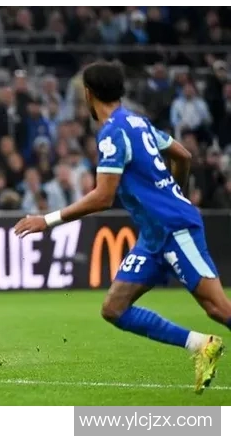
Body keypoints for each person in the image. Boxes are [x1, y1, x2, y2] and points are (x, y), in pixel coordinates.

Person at [14, 61, 229, 394]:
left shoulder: (113, 132)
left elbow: (103, 197)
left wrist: (47, 220)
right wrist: (175, 192)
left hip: (175, 229)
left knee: (217, 307)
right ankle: (201, 345)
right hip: (154, 236)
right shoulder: (138, 122)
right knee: (114, 309)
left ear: (88, 94)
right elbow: (183, 155)